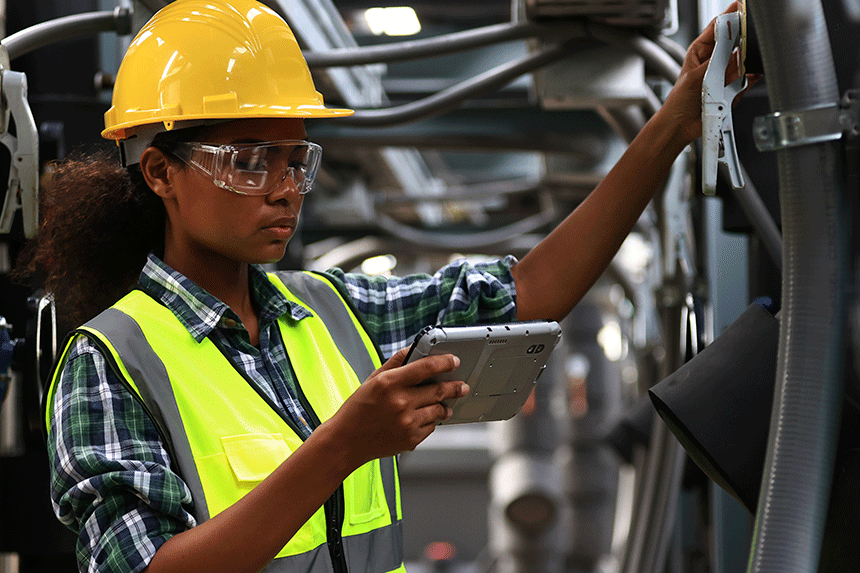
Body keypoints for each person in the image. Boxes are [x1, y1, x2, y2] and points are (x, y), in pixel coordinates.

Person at [17, 0, 751, 572]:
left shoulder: (328, 311)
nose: (282, 190)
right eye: (247, 160)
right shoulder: (110, 362)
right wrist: (344, 445)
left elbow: (527, 290)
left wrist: (674, 122)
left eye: (293, 161)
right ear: (160, 173)